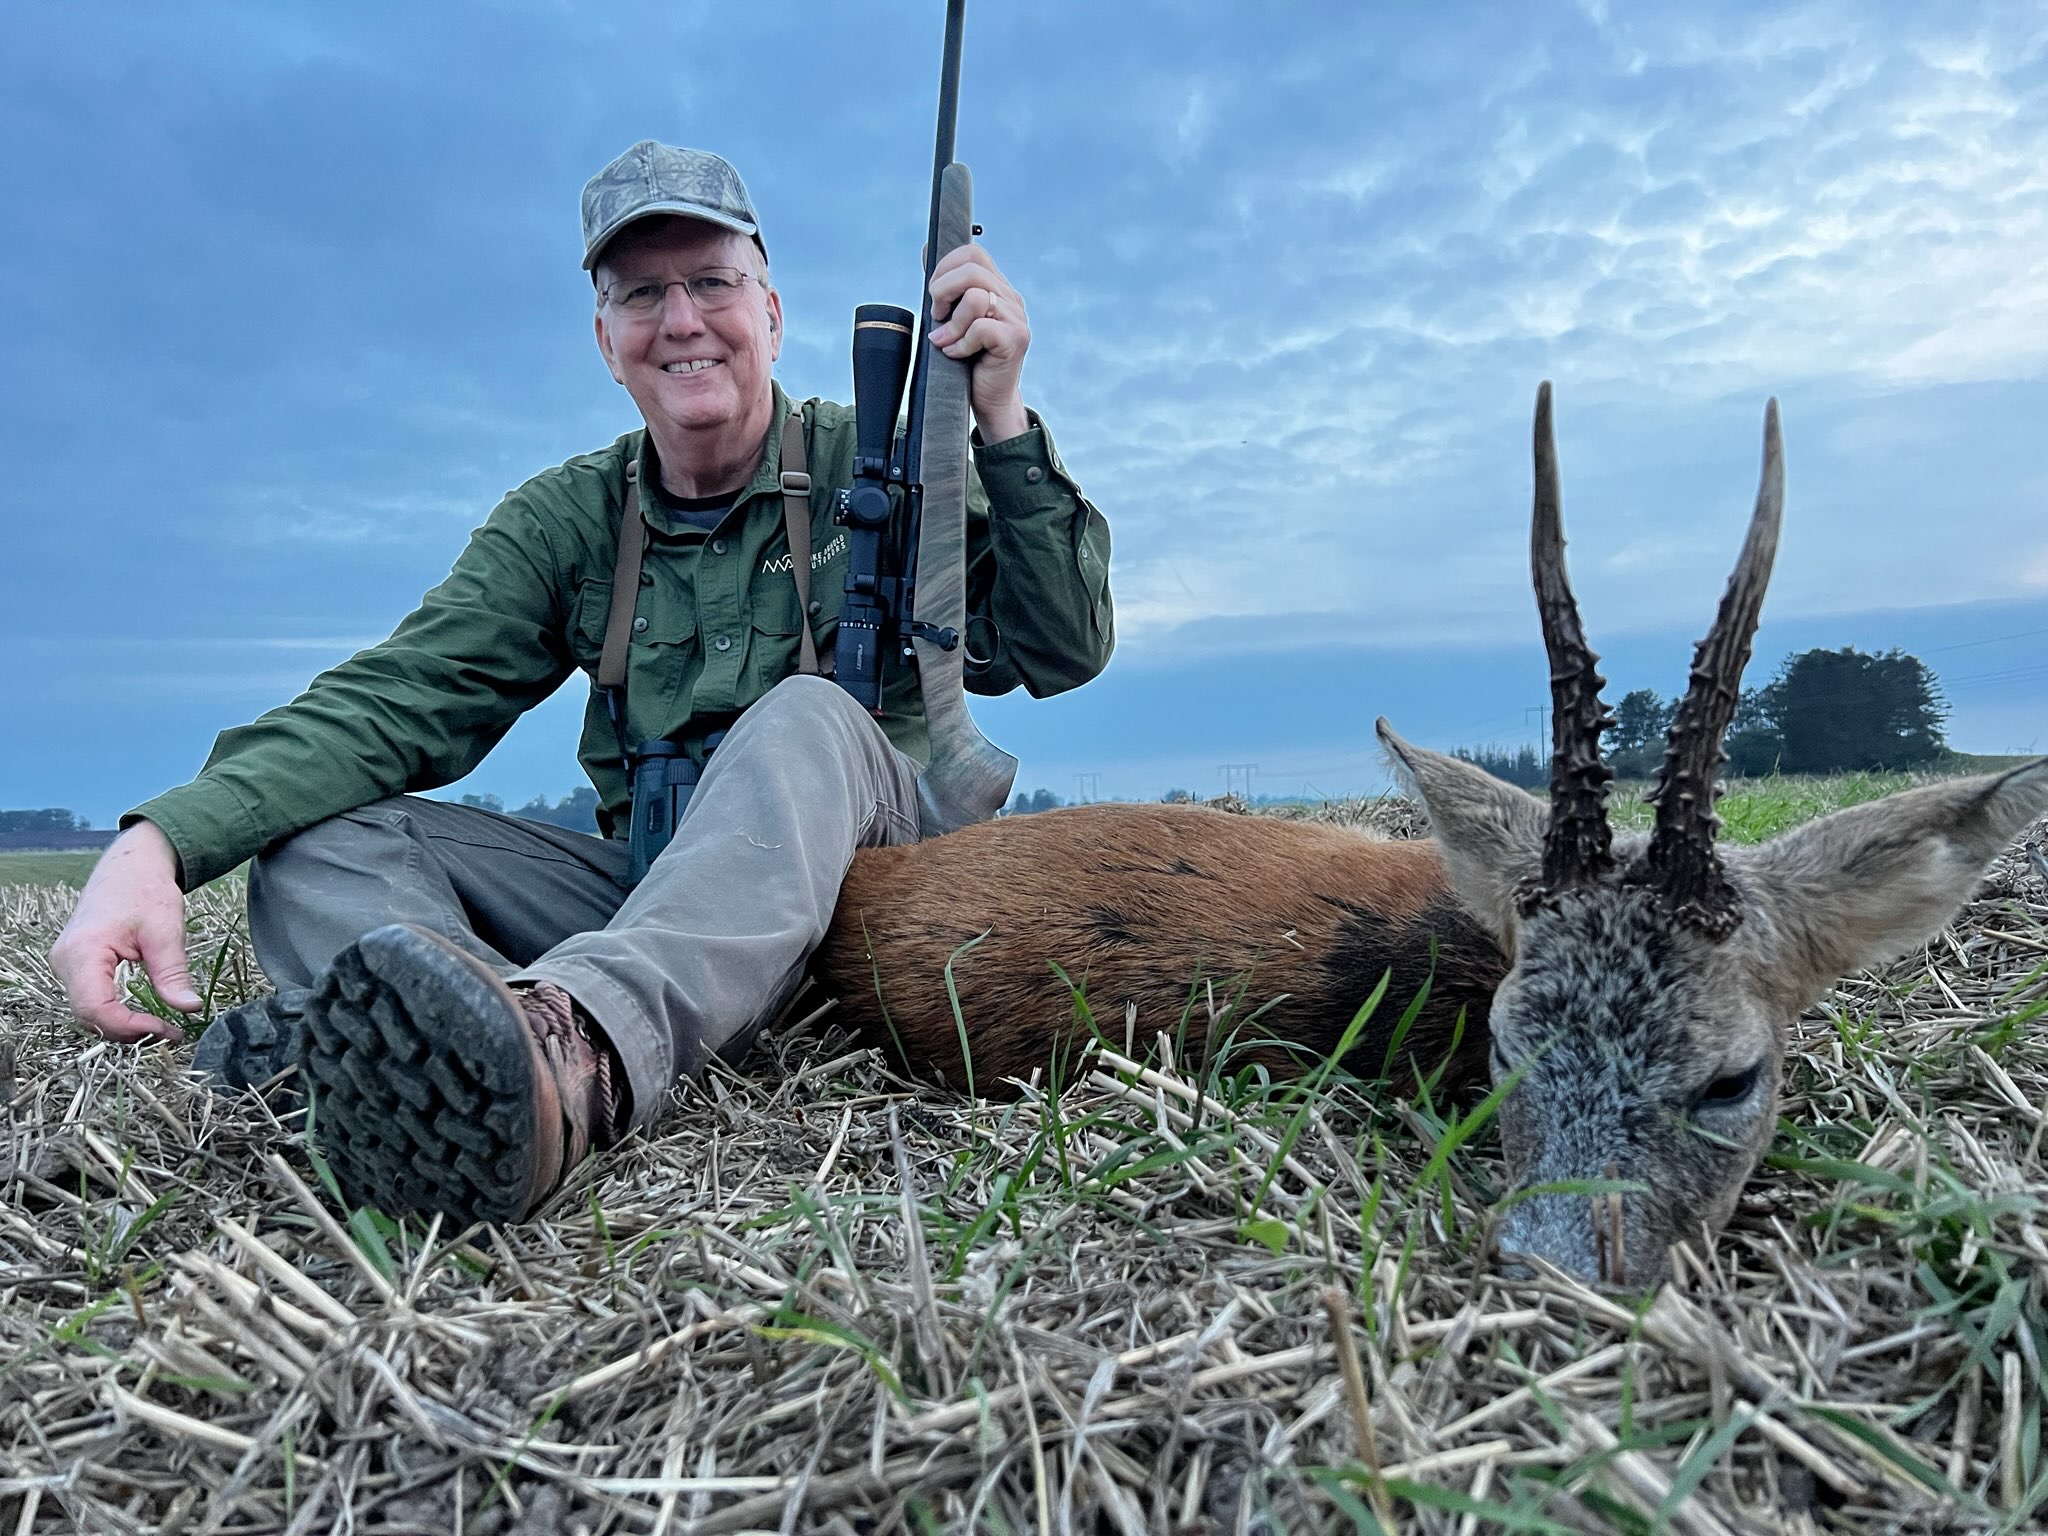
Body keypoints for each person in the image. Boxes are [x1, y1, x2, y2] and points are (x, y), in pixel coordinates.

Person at [49, 141, 1114, 1226]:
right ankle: (492, 1042)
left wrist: (999, 420)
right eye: (641, 294)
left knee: (808, 716)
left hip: (862, 908)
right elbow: (396, 697)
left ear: (773, 312)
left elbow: (1062, 647)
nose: (682, 319)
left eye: (711, 282)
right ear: (607, 342)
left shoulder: (883, 465)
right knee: (322, 840)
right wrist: (159, 844)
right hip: (650, 901)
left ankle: (580, 1056)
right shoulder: (566, 521)